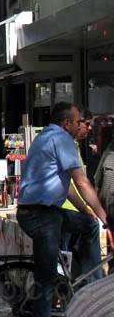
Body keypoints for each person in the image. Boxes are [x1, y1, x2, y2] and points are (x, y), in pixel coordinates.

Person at [17, 102, 108, 317]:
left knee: (88, 224)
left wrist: (87, 211)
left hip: (37, 212)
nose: (82, 126)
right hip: (43, 216)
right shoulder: (63, 139)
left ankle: (90, 284)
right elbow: (81, 182)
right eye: (79, 122)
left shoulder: (45, 137)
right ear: (67, 123)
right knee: (46, 281)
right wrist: (103, 215)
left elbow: (65, 185)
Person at [59, 109, 103, 283]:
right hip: (67, 210)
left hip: (74, 210)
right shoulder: (66, 144)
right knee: (71, 262)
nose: (89, 128)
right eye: (85, 123)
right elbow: (78, 184)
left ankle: (79, 291)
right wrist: (96, 213)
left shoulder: (72, 145)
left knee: (71, 264)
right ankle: (95, 288)